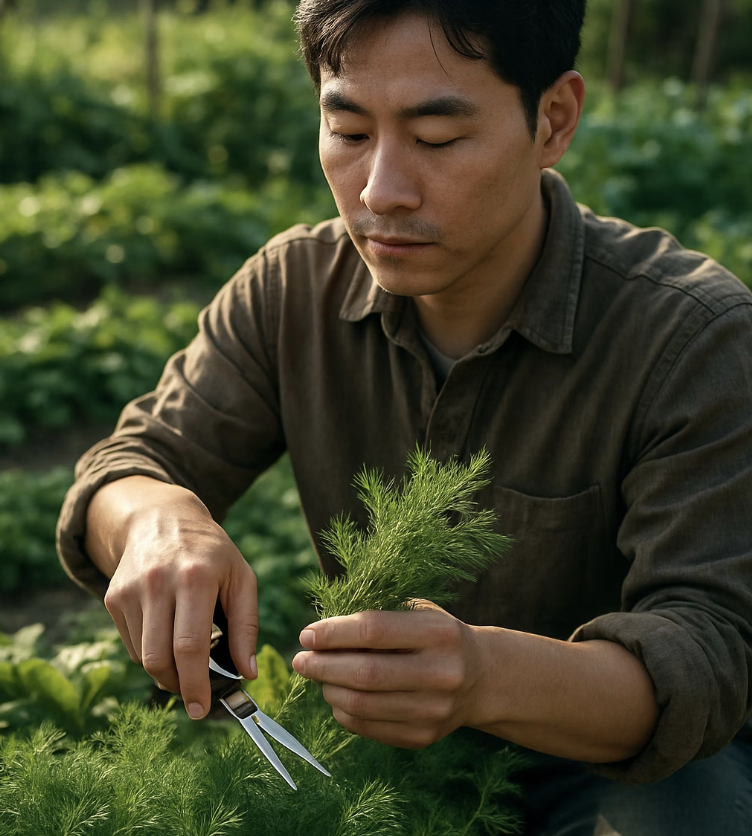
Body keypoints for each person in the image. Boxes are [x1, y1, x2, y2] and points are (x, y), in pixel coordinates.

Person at [57, 1, 752, 833]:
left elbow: (707, 657)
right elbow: (130, 462)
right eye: (348, 132)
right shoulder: (291, 291)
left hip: (615, 771)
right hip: (376, 760)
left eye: (437, 139)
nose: (381, 191)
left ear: (553, 119)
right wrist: (157, 522)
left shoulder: (692, 336)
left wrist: (485, 676)